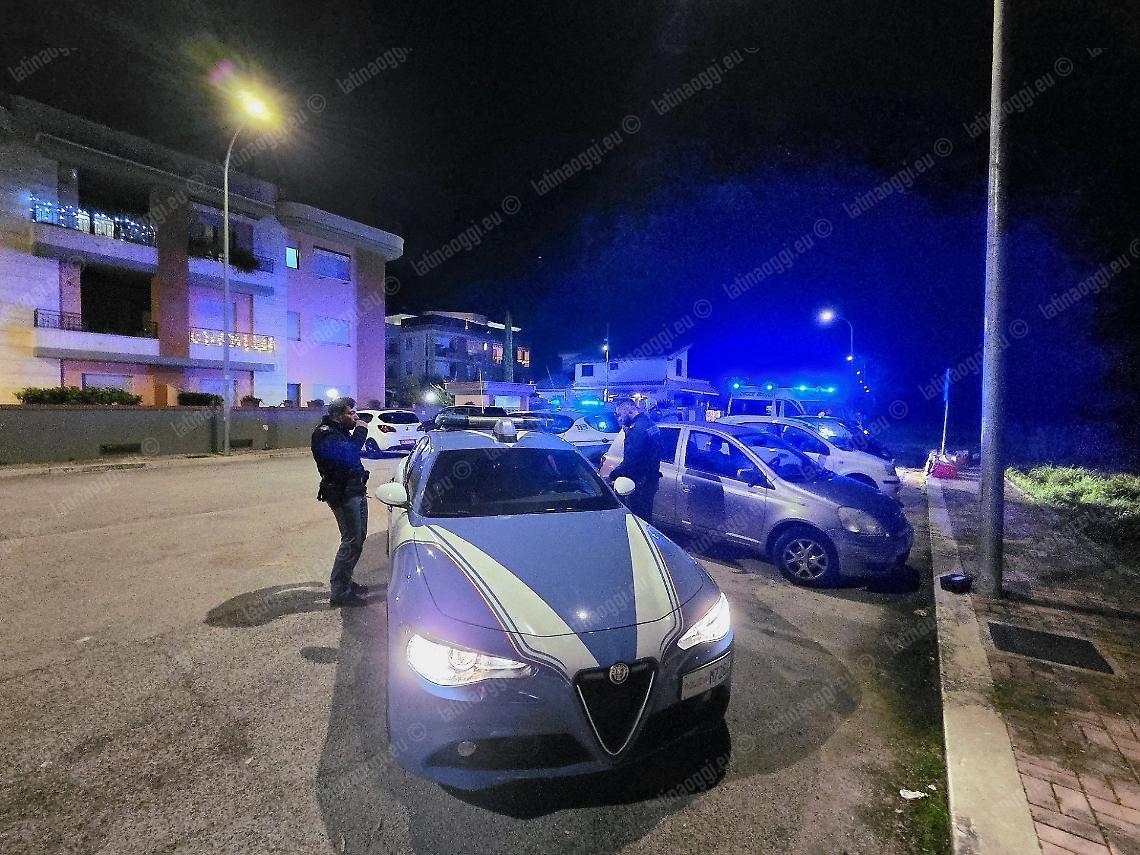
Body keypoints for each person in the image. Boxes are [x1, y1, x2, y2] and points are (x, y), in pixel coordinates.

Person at [311, 397, 371, 607]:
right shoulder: (326, 434)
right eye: (350, 413)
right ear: (337, 415)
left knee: (358, 538)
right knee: (351, 540)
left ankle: (345, 581)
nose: (356, 417)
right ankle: (339, 592)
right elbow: (348, 455)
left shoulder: (340, 431)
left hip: (355, 490)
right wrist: (361, 431)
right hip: (343, 494)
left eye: (355, 412)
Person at [608, 398, 663, 524]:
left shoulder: (636, 430)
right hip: (651, 480)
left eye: (619, 414)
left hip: (639, 483)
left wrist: (612, 476)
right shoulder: (650, 424)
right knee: (646, 517)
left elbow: (631, 461)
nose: (619, 419)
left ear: (628, 410)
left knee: (638, 520)